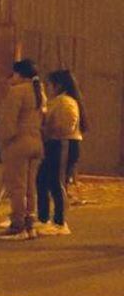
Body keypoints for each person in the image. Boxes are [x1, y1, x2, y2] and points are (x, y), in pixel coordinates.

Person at [0, 59, 46, 240]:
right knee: (30, 187)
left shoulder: (17, 92)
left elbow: (8, 122)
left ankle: (18, 225)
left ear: (19, 74)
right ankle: (30, 223)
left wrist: (4, 141)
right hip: (36, 142)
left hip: (19, 143)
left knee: (17, 186)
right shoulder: (39, 92)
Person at [36, 69, 86, 236]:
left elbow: (66, 126)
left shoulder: (66, 102)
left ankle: (60, 222)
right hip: (56, 143)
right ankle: (43, 218)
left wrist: (47, 128)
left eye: (50, 84)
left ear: (58, 85)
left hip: (63, 143)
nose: (48, 88)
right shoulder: (59, 101)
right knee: (42, 180)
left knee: (56, 182)